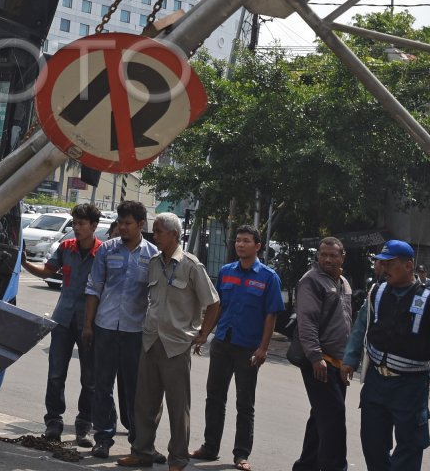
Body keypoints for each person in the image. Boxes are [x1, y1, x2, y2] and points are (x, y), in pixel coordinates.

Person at [116, 212, 219, 471]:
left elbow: (214, 303)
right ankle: (142, 452)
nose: (155, 236)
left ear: (174, 234)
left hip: (176, 344)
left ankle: (178, 459)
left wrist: (203, 334)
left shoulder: (192, 265)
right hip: (150, 340)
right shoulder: (153, 262)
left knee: (177, 406)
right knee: (145, 404)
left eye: (159, 231)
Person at [190, 225, 285, 471]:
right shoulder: (226, 272)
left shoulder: (268, 277)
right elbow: (217, 307)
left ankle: (241, 454)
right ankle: (210, 447)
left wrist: (263, 348)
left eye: (246, 241)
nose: (240, 245)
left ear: (257, 246)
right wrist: (204, 334)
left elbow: (271, 315)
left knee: (244, 404)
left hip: (248, 348)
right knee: (214, 398)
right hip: (222, 343)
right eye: (238, 241)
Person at [342, 239, 430, 471]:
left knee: (409, 447)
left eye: (390, 264)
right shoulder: (377, 292)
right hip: (377, 382)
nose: (384, 269)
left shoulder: (428, 298)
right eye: (382, 263)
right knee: (372, 443)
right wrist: (350, 359)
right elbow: (362, 325)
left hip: (411, 386)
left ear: (409, 266)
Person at [84, 200, 159, 458]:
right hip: (105, 327)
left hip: (135, 331)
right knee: (102, 385)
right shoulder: (106, 250)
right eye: (120, 223)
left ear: (140, 225)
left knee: (134, 389)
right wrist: (88, 325)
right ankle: (103, 437)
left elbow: (156, 296)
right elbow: (94, 288)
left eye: (128, 223)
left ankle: (140, 442)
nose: (123, 228)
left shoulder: (153, 255)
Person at [23, 203, 103, 445]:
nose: (76, 228)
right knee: (56, 373)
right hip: (62, 320)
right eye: (75, 223)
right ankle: (54, 423)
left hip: (89, 323)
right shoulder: (66, 248)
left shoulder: (103, 253)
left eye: (81, 224)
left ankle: (83, 425)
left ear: (93, 226)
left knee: (89, 378)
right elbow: (47, 272)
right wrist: (25, 263)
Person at [292, 237, 354, 471]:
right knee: (334, 418)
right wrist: (316, 357)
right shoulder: (311, 281)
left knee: (321, 418)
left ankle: (305, 466)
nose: (327, 259)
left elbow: (347, 322)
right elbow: (306, 322)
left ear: (342, 257)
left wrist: (348, 359)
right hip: (320, 362)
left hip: (338, 363)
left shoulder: (344, 283)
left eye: (333, 255)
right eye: (323, 254)